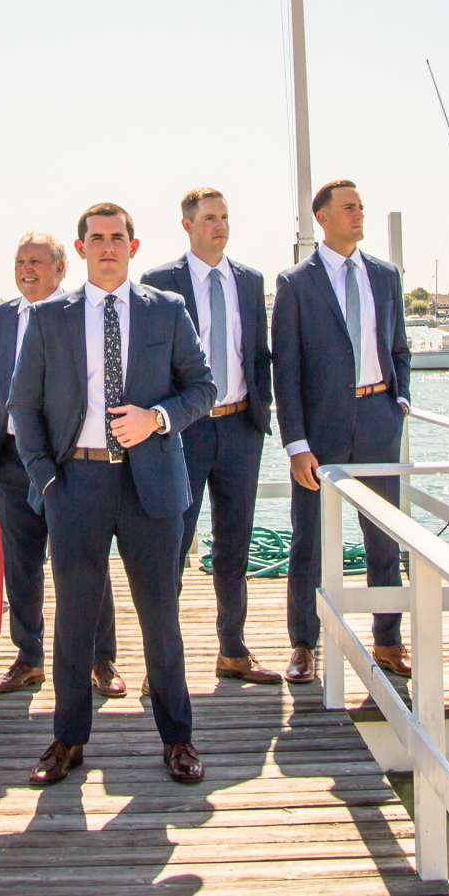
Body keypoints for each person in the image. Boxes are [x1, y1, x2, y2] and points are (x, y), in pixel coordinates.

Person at [8, 202, 214, 787]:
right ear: (79, 249)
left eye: (116, 238)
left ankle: (178, 738)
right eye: (95, 238)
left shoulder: (166, 312)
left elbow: (203, 387)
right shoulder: (51, 318)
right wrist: (45, 478)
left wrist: (158, 418)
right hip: (76, 484)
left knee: (161, 618)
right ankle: (68, 740)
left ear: (133, 245)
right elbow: (23, 406)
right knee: (73, 619)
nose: (106, 247)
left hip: (150, 484)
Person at [0, 231, 121, 697]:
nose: (26, 269)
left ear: (60, 269)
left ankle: (102, 660)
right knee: (21, 562)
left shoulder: (79, 316)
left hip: (70, 460)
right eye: (19, 262)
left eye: (36, 261)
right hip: (12, 461)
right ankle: (28, 657)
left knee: (85, 562)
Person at [271, 178, 413, 684]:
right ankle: (303, 644)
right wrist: (296, 443)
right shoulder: (295, 283)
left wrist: (401, 400)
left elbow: (399, 347)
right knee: (309, 538)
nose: (359, 214)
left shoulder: (385, 275)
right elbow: (284, 370)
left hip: (378, 417)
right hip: (322, 427)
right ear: (323, 218)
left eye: (361, 207)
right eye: (349, 207)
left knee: (383, 539)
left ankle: (389, 639)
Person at [142, 187, 280, 685]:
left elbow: (257, 350)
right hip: (186, 430)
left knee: (235, 544)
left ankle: (233, 649)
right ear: (187, 225)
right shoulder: (161, 282)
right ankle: (162, 661)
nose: (220, 226)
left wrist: (263, 409)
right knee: (173, 544)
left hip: (242, 426)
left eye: (224, 217)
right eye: (209, 218)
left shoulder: (250, 280)